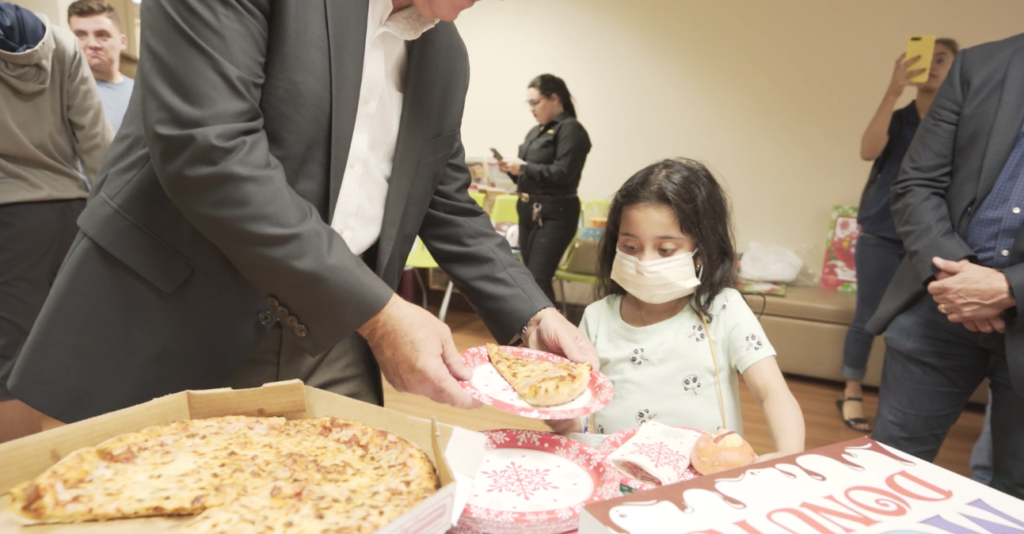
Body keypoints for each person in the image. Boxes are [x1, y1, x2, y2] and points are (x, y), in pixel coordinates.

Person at [8, 0, 597, 425]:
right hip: (176, 308)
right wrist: (380, 312)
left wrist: (532, 313)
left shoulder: (446, 54)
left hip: (337, 336)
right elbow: (210, 151)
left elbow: (443, 196)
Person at [551, 159, 805, 462]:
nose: (645, 262)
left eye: (665, 250)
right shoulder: (597, 317)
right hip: (617, 476)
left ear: (702, 251)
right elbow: (581, 410)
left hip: (702, 481)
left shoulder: (723, 308)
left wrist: (789, 454)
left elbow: (771, 392)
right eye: (631, 247)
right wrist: (567, 421)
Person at [867, 32, 1024, 500]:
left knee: (1014, 494)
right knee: (886, 479)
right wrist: (960, 280)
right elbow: (914, 184)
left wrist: (1009, 287)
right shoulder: (981, 65)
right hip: (938, 309)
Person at [0, 2, 112, 441]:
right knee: (69, 344)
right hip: (71, 212)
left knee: (9, 358)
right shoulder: (63, 42)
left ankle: (17, 483)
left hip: (9, 215)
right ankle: (78, 457)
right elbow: (98, 142)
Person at [838, 38, 959, 432]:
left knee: (913, 327)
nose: (933, 66)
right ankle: (852, 390)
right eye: (928, 58)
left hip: (929, 241)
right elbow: (867, 150)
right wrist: (892, 90)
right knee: (867, 316)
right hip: (880, 232)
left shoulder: (959, 123)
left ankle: (896, 398)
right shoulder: (901, 116)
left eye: (943, 59)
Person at [499, 74, 591, 303]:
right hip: (528, 209)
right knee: (529, 278)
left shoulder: (571, 130)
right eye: (528, 103)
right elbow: (531, 176)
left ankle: (552, 335)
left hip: (555, 213)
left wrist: (525, 167)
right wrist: (515, 172)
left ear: (554, 98)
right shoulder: (535, 132)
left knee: (538, 279)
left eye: (535, 102)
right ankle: (535, 334)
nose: (531, 109)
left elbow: (563, 173)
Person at [67, 0, 133, 134]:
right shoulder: (65, 93)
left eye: (102, 35)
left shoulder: (140, 91)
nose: (92, 44)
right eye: (81, 35)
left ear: (122, 42)